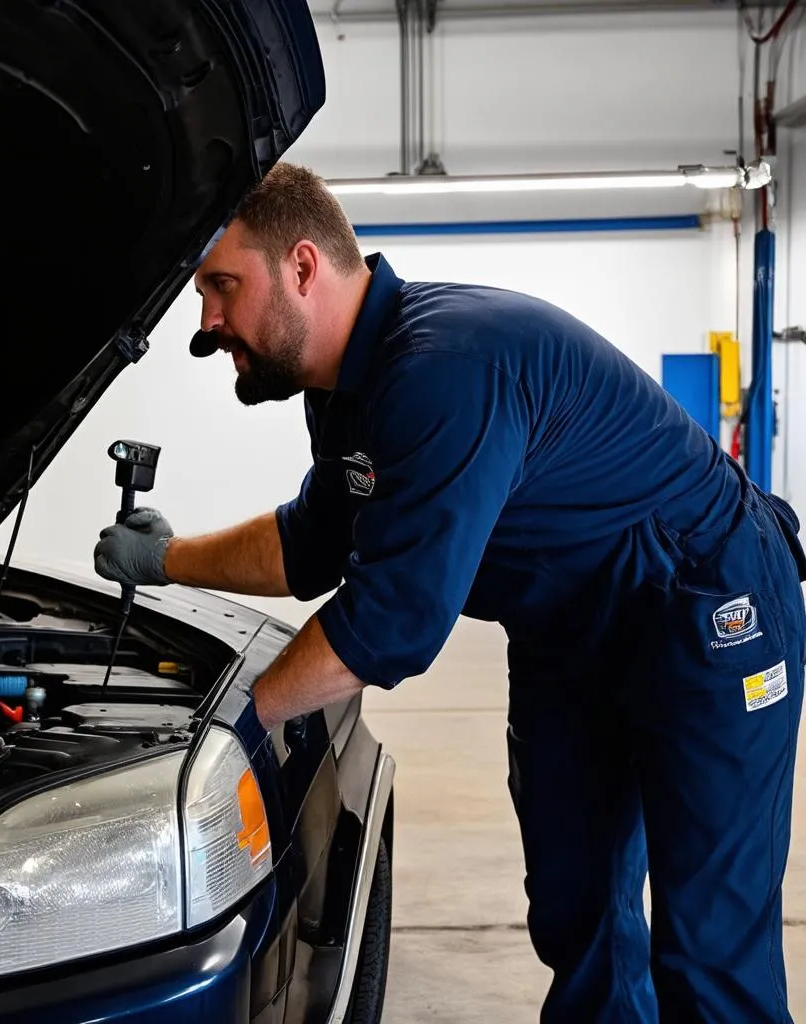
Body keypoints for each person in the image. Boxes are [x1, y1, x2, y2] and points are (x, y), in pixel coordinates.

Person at [93, 161, 806, 1023]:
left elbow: (392, 624)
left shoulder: (442, 367)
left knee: (707, 947)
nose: (206, 322)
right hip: (568, 627)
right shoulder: (344, 396)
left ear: (303, 267)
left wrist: (240, 722)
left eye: (221, 285)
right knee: (578, 915)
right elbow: (312, 543)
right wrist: (165, 559)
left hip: (706, 599)